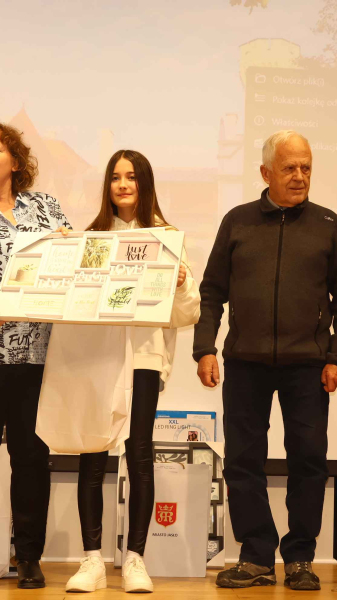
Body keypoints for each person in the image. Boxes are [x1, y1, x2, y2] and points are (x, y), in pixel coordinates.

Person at [193, 130, 337, 590]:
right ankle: (256, 556)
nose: (300, 176)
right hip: (244, 362)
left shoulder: (327, 224)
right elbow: (211, 292)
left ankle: (301, 556)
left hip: (309, 365)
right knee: (242, 461)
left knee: (309, 459)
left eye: (306, 167)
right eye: (289, 168)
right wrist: (205, 347)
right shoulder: (237, 221)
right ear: (266, 172)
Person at [62, 150, 199, 593]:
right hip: (98, 359)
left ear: (145, 183)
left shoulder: (167, 239)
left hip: (143, 359)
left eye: (132, 177)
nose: (123, 184)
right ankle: (91, 560)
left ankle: (135, 559)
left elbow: (188, 314)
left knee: (139, 452)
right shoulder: (91, 238)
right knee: (92, 452)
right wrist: (62, 256)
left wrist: (181, 285)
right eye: (116, 177)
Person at [0, 123, 70, 589]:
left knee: (29, 458)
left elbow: (78, 265)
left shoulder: (44, 207)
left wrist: (69, 246)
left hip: (36, 356)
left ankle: (28, 556)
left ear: (15, 161)